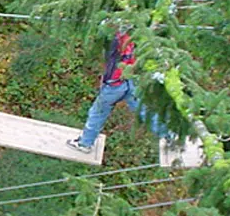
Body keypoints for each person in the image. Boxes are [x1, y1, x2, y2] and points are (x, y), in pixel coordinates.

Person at [68, 26, 174, 154]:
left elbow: (106, 38)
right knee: (144, 110)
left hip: (114, 86)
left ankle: (85, 143)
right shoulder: (133, 40)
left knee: (98, 113)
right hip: (129, 82)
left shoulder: (115, 43)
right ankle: (168, 135)